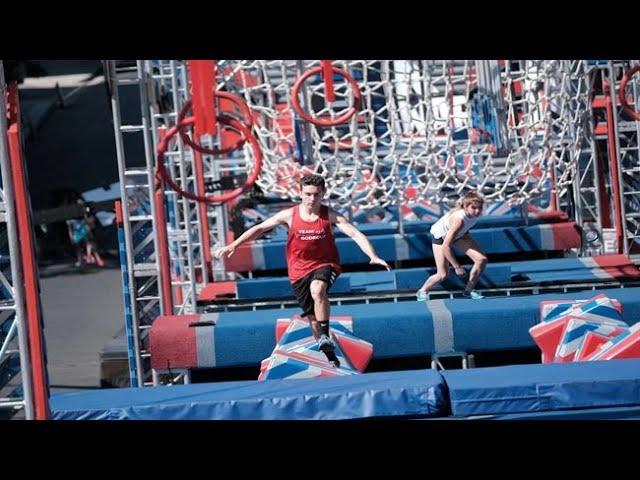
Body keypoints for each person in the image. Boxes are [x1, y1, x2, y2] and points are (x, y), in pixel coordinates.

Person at [214, 174, 391, 366]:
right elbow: (260, 228)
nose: (312, 199)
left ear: (323, 194)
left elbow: (355, 234)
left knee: (318, 289)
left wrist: (372, 255)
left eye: (316, 194)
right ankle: (330, 356)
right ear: (300, 193)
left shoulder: (330, 215)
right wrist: (234, 245)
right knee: (313, 319)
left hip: (326, 264)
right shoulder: (289, 215)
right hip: (298, 271)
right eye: (307, 194)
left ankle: (324, 334)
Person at [416, 191, 487, 301]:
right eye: (474, 208)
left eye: (480, 208)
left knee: (481, 259)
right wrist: (457, 267)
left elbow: (462, 230)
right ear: (465, 206)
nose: (477, 211)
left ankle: (468, 291)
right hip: (441, 238)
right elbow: (445, 247)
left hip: (459, 234)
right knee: (443, 274)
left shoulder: (473, 216)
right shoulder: (459, 220)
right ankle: (422, 291)